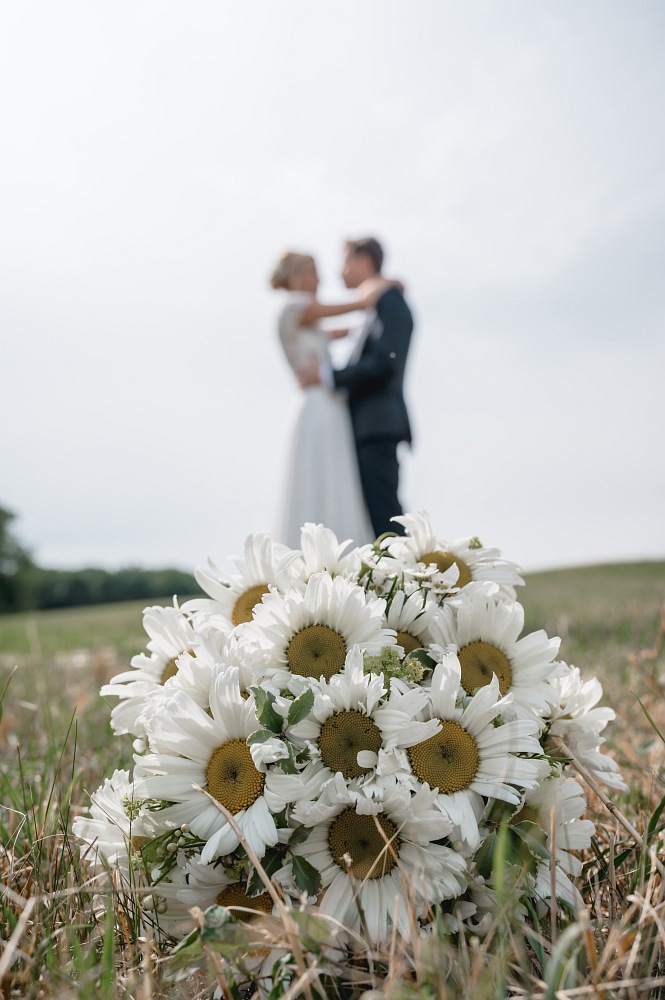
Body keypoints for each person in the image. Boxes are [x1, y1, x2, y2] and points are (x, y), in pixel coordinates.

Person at [271, 251, 389, 549]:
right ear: (296, 275)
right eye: (312, 271)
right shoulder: (297, 306)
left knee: (331, 479)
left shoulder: (305, 317)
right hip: (318, 408)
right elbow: (360, 304)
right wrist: (381, 285)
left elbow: (343, 330)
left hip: (327, 406)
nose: (320, 278)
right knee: (322, 479)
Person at [298, 238, 413, 538]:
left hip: (377, 427)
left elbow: (385, 361)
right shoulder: (375, 306)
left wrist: (327, 375)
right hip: (363, 428)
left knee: (387, 522)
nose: (341, 272)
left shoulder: (391, 301)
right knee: (376, 521)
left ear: (364, 260)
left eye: (346, 261)